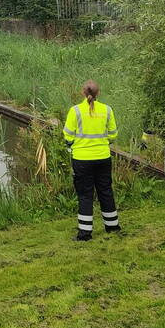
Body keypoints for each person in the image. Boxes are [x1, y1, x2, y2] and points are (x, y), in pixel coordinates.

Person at [64, 80, 120, 241]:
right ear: (98, 93)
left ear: (83, 92)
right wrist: (103, 143)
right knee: (106, 191)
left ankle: (85, 233)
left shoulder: (75, 111)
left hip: (82, 159)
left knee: (85, 195)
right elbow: (113, 134)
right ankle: (112, 227)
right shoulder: (107, 110)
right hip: (103, 157)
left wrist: (75, 144)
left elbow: (68, 135)